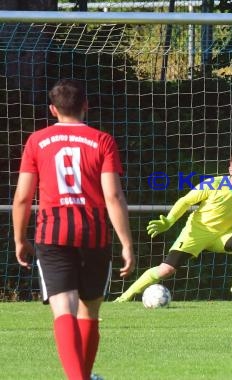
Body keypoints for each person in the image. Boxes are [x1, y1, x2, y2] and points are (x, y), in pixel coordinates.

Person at [12, 79, 135, 380]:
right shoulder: (102, 140)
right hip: (93, 233)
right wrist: (127, 243)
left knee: (63, 309)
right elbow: (113, 196)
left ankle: (78, 378)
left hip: (52, 233)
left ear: (53, 109)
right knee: (89, 311)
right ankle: (84, 375)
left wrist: (19, 239)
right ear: (85, 106)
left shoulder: (37, 141)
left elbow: (23, 197)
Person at [114, 149, 232, 302]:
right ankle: (124, 297)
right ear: (230, 169)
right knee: (166, 270)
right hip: (196, 233)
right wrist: (169, 221)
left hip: (222, 236)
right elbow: (186, 201)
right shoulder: (213, 184)